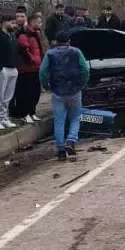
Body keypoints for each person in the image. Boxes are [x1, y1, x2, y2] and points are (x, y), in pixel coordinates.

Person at [40, 30, 90, 161]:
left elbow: (43, 72)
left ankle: (61, 150)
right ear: (69, 41)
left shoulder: (50, 54)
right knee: (75, 118)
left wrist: (46, 85)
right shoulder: (76, 52)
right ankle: (71, 140)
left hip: (57, 91)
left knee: (59, 121)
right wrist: (82, 83)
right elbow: (85, 68)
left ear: (56, 42)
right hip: (74, 90)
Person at [0, 14, 20, 130]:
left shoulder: (12, 36)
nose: (14, 25)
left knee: (7, 97)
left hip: (12, 68)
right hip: (0, 69)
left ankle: (4, 117)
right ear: (5, 22)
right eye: (12, 23)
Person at [12, 13, 44, 123]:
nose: (41, 24)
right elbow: (23, 51)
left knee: (35, 92)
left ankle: (32, 112)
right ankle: (24, 113)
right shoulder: (23, 34)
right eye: (39, 22)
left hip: (36, 68)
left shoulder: (36, 34)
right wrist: (32, 61)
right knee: (25, 92)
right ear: (33, 23)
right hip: (26, 69)